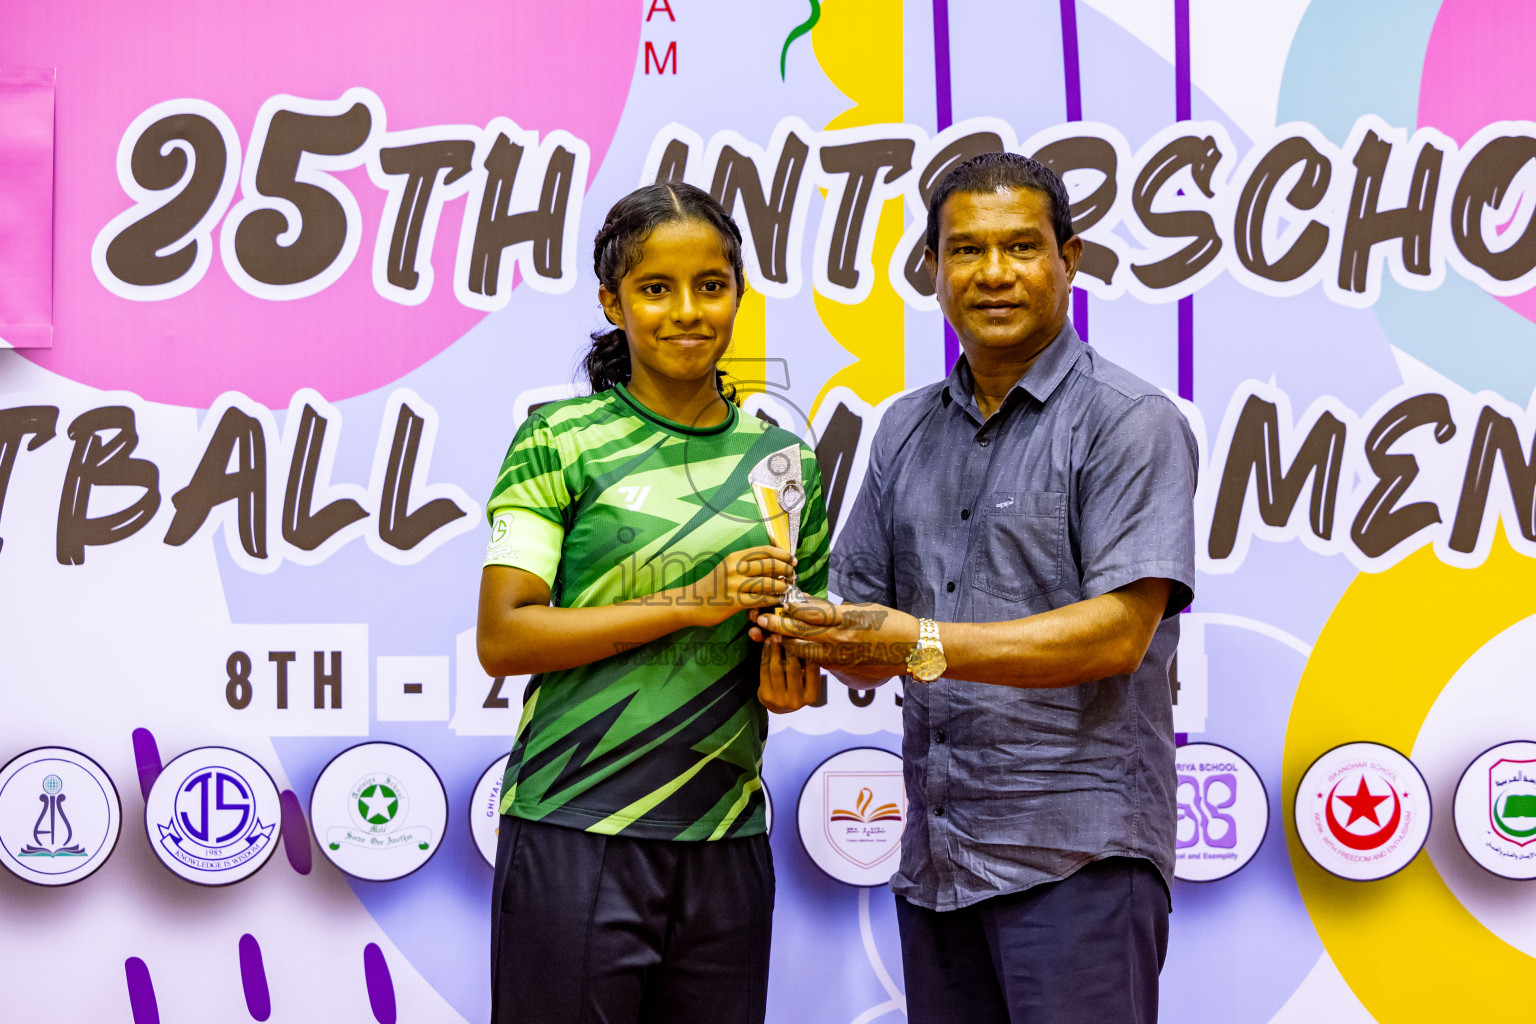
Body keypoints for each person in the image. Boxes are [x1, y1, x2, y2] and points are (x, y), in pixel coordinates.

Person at [754, 153, 1197, 1024]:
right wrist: (785, 634)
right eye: (966, 251)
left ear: (1070, 258)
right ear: (933, 270)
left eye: (1022, 246)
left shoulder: (1129, 420)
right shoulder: (905, 428)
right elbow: (861, 627)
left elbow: (1118, 636)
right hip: (939, 867)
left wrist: (914, 643)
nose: (993, 274)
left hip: (1080, 864)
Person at [477, 181, 829, 1024]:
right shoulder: (559, 439)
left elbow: (801, 659)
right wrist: (689, 602)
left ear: (740, 294)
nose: (688, 311)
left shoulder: (786, 464)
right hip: (575, 830)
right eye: (655, 288)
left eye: (712, 286)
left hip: (726, 842)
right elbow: (504, 636)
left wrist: (798, 679)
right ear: (613, 300)